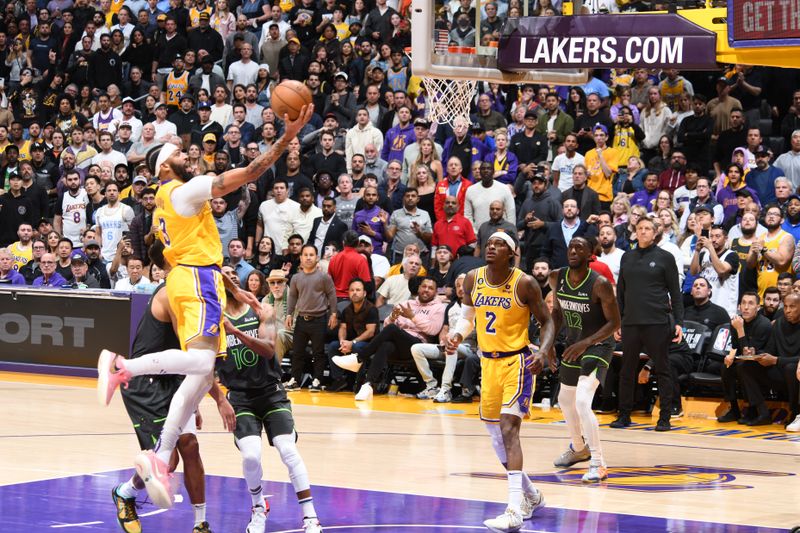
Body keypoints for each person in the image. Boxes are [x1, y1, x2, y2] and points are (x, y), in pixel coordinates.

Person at [96, 103, 313, 510]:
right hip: (195, 281)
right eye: (177, 154)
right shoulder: (184, 191)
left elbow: (197, 250)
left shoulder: (166, 200)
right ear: (164, 169)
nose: (187, 154)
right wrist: (286, 137)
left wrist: (234, 286)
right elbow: (249, 174)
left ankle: (159, 460)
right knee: (200, 366)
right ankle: (123, 367)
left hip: (202, 276)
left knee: (198, 381)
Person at [446, 232, 555, 531]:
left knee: (509, 428)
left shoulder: (524, 283)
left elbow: (547, 321)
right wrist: (457, 335)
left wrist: (543, 351)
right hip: (487, 363)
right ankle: (530, 494)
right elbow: (469, 317)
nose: (491, 247)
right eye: (489, 243)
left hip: (517, 361)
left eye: (499, 244)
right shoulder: (472, 278)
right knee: (496, 437)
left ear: (512, 253)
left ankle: (513, 510)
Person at [213, 266, 323, 533]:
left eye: (234, 274)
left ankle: (310, 517)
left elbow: (268, 348)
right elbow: (205, 366)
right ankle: (259, 508)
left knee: (287, 449)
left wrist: (235, 332)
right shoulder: (212, 319)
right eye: (226, 273)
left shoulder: (263, 310)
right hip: (239, 397)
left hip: (271, 392)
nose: (232, 277)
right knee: (251, 456)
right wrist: (218, 400)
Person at [113, 243, 213, 533]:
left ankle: (200, 523)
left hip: (174, 377)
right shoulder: (171, 293)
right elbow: (199, 356)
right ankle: (125, 492)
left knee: (190, 446)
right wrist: (218, 399)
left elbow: (193, 360)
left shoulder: (190, 291)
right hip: (146, 383)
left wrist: (193, 398)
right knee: (167, 459)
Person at [549, 237, 620, 483]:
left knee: (581, 401)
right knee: (564, 400)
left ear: (591, 253)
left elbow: (615, 323)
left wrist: (586, 343)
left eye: (580, 247)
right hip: (573, 344)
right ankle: (579, 448)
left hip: (597, 346)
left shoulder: (599, 284)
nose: (573, 250)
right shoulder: (556, 276)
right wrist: (548, 345)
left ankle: (599, 462)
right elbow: (556, 313)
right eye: (571, 246)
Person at [612, 216, 684, 431]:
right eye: (640, 228)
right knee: (627, 370)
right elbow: (621, 293)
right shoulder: (627, 257)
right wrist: (618, 321)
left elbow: (675, 292)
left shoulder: (665, 257)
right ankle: (624, 415)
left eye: (647, 229)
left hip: (657, 322)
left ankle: (665, 418)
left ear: (655, 233)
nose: (643, 232)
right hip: (631, 322)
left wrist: (679, 321)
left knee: (662, 369)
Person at [333, 276, 447, 401]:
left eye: (430, 288)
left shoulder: (439, 308)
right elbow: (387, 325)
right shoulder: (406, 304)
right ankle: (367, 386)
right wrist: (392, 317)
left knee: (392, 330)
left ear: (436, 292)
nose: (426, 290)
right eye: (424, 286)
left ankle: (359, 358)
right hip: (399, 345)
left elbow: (433, 330)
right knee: (386, 345)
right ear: (418, 288)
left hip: (418, 345)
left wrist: (412, 317)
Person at [285, 244, 338, 392]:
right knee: (297, 351)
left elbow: (332, 295)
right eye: (305, 255)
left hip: (319, 319)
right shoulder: (295, 278)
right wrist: (289, 314)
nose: (308, 257)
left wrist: (333, 314)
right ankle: (294, 379)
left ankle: (317, 379)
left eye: (311, 255)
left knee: (318, 352)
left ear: (317, 258)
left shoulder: (324, 277)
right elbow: (293, 297)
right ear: (301, 258)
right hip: (301, 319)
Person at [326, 277, 379, 392]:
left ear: (364, 293)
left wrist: (352, 342)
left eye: (358, 290)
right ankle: (339, 379)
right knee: (333, 346)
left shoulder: (371, 309)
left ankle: (359, 381)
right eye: (352, 290)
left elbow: (370, 332)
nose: (355, 292)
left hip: (370, 344)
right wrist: (342, 342)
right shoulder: (347, 310)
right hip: (351, 341)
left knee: (357, 347)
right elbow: (343, 327)